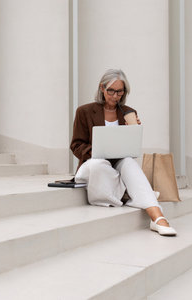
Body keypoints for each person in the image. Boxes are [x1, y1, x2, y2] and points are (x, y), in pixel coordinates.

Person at [70, 69, 177, 236]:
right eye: (111, 91)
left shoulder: (127, 112)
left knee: (128, 162)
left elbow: (130, 149)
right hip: (92, 164)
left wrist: (132, 131)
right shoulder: (84, 111)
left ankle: (158, 218)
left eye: (120, 91)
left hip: (118, 164)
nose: (115, 96)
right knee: (99, 164)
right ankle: (131, 193)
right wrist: (99, 152)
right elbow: (76, 145)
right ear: (102, 88)